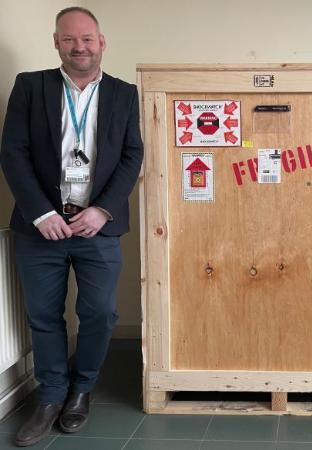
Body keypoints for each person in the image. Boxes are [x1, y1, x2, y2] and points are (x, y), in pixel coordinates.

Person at [0, 6, 143, 447]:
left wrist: (103, 209)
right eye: (69, 39)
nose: (78, 47)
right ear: (56, 43)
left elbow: (131, 155)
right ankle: (51, 396)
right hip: (39, 226)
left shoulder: (124, 93)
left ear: (101, 43)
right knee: (44, 317)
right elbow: (13, 152)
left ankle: (81, 389)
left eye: (87, 39)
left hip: (97, 227)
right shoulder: (30, 86)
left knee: (100, 312)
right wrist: (40, 212)